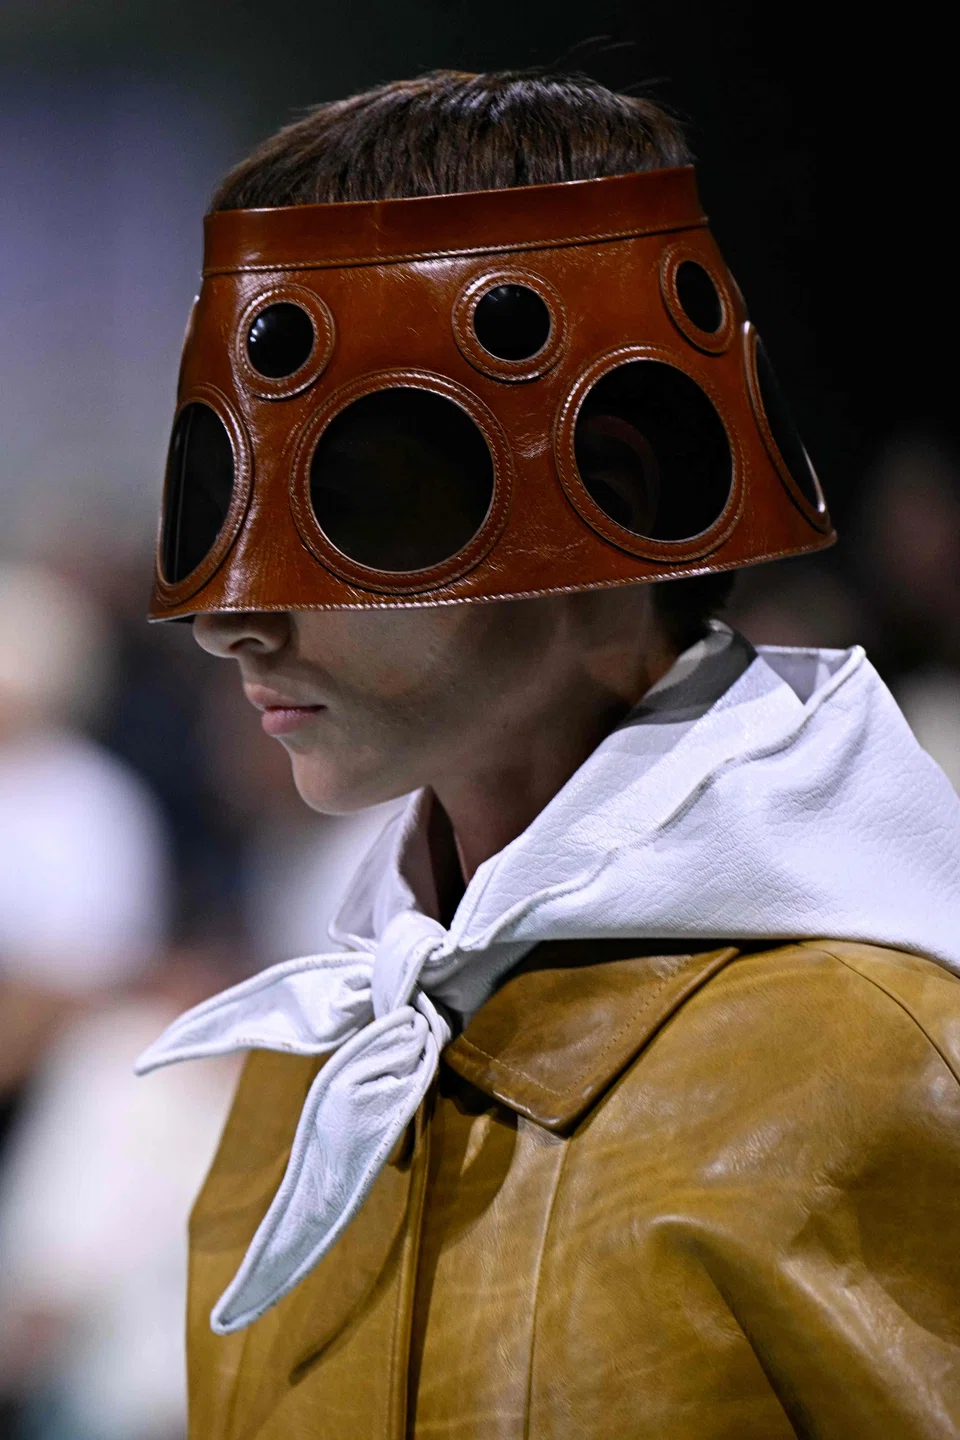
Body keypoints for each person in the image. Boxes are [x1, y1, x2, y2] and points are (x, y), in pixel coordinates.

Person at [136, 70, 960, 1438]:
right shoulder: (322, 1076)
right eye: (226, 494)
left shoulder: (878, 1075)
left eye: (346, 498)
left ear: (612, 485)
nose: (233, 616)